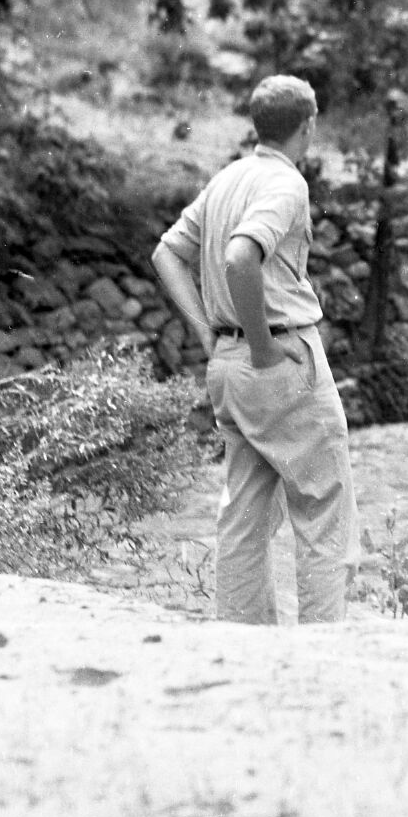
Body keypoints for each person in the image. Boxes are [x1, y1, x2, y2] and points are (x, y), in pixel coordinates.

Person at [151, 75, 357, 623]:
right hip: (280, 360)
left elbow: (166, 253)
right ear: (308, 126)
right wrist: (264, 349)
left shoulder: (228, 178)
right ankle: (323, 646)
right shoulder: (287, 185)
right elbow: (242, 257)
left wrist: (204, 333)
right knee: (323, 508)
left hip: (226, 365)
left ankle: (242, 645)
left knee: (243, 512)